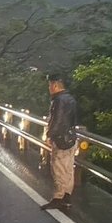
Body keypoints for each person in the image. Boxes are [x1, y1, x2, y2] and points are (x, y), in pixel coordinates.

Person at [40, 73, 78, 211]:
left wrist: (50, 135)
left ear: (55, 85)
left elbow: (58, 120)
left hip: (61, 139)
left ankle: (59, 197)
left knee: (58, 168)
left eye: (50, 85)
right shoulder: (70, 99)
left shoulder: (59, 100)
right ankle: (67, 196)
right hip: (70, 137)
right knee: (68, 169)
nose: (49, 88)